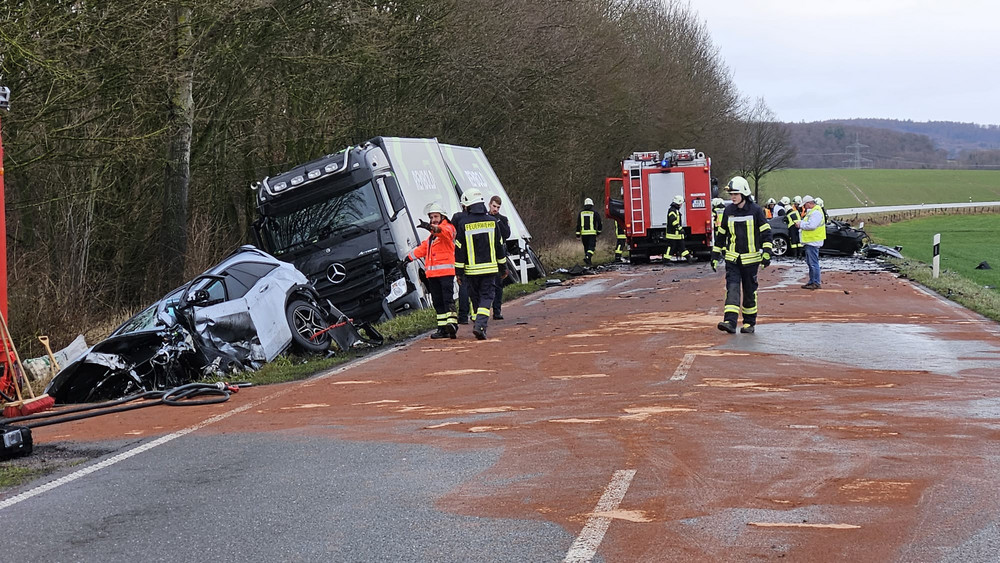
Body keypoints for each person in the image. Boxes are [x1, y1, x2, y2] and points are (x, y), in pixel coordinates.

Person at [711, 176, 773, 334]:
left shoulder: (756, 211)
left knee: (749, 291)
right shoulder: (728, 211)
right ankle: (730, 322)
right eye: (731, 194)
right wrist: (715, 255)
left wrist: (767, 252)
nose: (732, 197)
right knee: (732, 289)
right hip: (732, 259)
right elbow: (721, 235)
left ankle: (749, 323)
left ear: (744, 194)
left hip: (751, 261)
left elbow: (766, 233)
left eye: (735, 194)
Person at [453, 189, 506, 340]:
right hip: (490, 270)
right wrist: (503, 268)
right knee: (487, 297)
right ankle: (480, 325)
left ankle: (478, 323)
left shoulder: (463, 224)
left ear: (468, 206)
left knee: (475, 298)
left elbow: (459, 250)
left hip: (471, 271)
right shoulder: (492, 222)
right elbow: (499, 247)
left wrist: (459, 272)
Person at [404, 201, 457, 339]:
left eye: (436, 216)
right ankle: (443, 329)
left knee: (447, 300)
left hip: (445, 273)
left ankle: (452, 324)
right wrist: (408, 258)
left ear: (442, 216)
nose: (433, 220)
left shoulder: (448, 228)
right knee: (437, 302)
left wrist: (430, 227)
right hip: (432, 275)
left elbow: (444, 233)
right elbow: (423, 249)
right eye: (431, 217)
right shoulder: (431, 237)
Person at [488, 195, 511, 320]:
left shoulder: (502, 219)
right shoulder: (484, 218)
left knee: (498, 284)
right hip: (487, 255)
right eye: (494, 206)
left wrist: (497, 221)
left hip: (499, 255)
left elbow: (506, 234)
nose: (495, 209)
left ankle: (497, 310)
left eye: (498, 207)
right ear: (489, 204)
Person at [797, 195, 826, 290]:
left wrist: (800, 224)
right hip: (810, 241)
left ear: (809, 204)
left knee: (813, 263)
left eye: (805, 205)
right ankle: (812, 281)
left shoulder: (816, 213)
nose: (804, 207)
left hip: (813, 241)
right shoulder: (813, 212)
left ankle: (816, 282)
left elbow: (812, 226)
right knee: (811, 263)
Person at [664, 194, 691, 262]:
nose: (681, 205)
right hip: (672, 234)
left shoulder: (675, 210)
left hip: (677, 235)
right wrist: (679, 228)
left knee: (682, 247)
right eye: (681, 203)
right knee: (671, 247)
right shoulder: (672, 210)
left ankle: (688, 258)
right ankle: (666, 260)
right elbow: (673, 221)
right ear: (678, 203)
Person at [575, 198, 602, 265]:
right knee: (591, 247)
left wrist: (578, 234)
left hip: (584, 234)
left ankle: (588, 261)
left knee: (586, 247)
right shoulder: (594, 213)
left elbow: (578, 224)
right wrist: (599, 231)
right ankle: (587, 257)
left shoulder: (581, 213)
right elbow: (599, 222)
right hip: (592, 233)